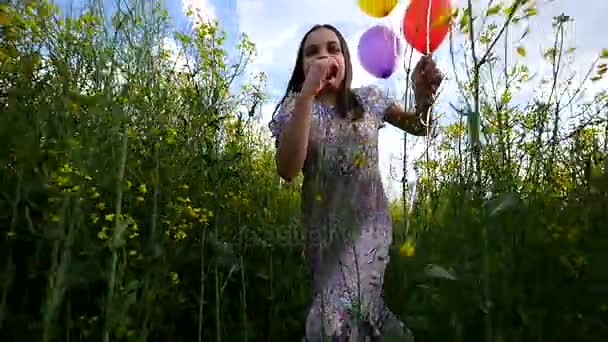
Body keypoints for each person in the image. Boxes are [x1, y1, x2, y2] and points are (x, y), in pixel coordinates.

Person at [268, 24, 443, 341]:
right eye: (312, 52)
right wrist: (308, 93)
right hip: (322, 236)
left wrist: (423, 97)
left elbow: (419, 126)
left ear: (345, 59)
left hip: (369, 229)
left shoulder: (371, 100)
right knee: (360, 313)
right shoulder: (295, 107)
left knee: (327, 323)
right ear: (302, 66)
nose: (323, 56)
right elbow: (288, 169)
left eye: (333, 48)